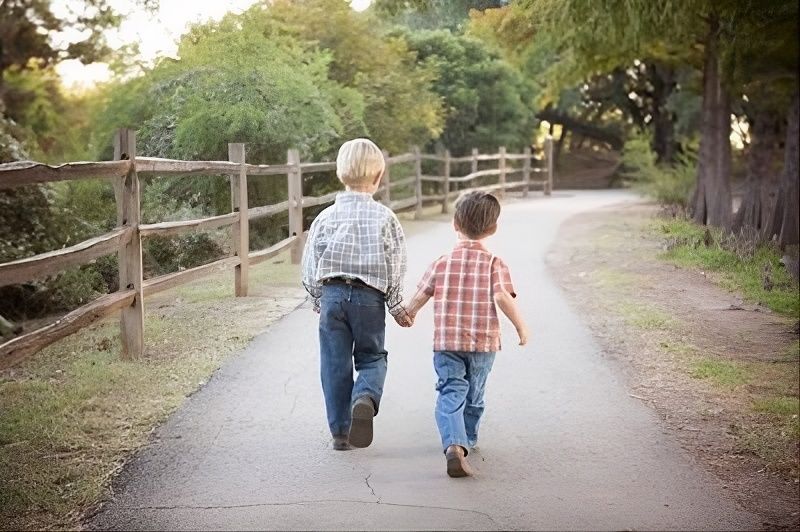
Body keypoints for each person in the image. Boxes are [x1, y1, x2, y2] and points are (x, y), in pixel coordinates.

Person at [405, 191, 529, 477]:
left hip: (447, 343)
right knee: (475, 394)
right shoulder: (495, 263)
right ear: (493, 229)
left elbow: (422, 294)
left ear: (454, 224)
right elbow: (502, 297)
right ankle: (467, 440)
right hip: (483, 344)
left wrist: (409, 312)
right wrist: (521, 326)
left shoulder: (441, 262)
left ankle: (453, 444)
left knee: (450, 390)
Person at [301, 138, 412, 452]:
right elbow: (396, 262)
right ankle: (364, 396)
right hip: (369, 299)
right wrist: (396, 303)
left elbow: (311, 261)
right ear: (378, 178)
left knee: (334, 364)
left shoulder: (325, 217)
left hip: (333, 297)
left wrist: (317, 298)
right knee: (372, 356)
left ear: (340, 174)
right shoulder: (385, 218)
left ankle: (340, 432)